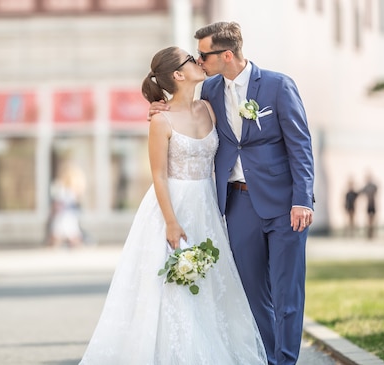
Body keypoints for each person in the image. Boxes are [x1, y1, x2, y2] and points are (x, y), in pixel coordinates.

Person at [80, 47, 266, 364]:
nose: (198, 61)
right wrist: (170, 221)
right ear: (178, 74)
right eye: (191, 60)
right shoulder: (161, 121)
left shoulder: (208, 106)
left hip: (207, 205)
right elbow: (158, 175)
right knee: (173, 285)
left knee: (209, 282)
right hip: (172, 206)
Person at [149, 22, 315, 365]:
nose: (198, 60)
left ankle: (285, 360)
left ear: (226, 55)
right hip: (237, 204)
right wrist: (158, 108)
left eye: (202, 54)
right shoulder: (208, 90)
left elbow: (301, 146)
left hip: (285, 206)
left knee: (287, 293)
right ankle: (267, 357)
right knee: (252, 292)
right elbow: (181, 114)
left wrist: (302, 199)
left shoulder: (278, 86)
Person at [47, 161, 86, 248]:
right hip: (63, 214)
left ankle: (73, 242)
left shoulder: (70, 189)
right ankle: (57, 242)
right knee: (61, 229)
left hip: (68, 214)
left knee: (69, 229)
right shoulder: (61, 187)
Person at [361, 172, 378, 239]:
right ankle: (369, 233)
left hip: (373, 204)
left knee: (373, 219)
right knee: (368, 220)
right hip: (368, 205)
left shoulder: (373, 186)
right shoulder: (366, 187)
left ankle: (372, 233)